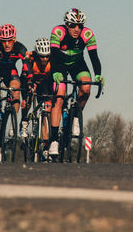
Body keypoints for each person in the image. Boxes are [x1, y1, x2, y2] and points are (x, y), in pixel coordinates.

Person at [49, 8, 104, 155]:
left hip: (77, 64)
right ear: (66, 24)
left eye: (80, 25)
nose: (77, 29)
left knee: (86, 87)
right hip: (59, 64)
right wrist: (55, 72)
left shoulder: (87, 34)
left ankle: (75, 117)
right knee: (59, 96)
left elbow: (94, 57)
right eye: (73, 25)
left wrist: (98, 74)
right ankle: (54, 140)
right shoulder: (58, 32)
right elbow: (53, 55)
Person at [0, 23, 32, 149]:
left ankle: (12, 126)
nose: (7, 44)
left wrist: (30, 82)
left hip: (10, 72)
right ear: (0, 40)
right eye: (4, 41)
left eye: (10, 40)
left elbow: (28, 68)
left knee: (16, 89)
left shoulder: (20, 48)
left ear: (14, 39)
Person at [20, 38, 53, 156]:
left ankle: (45, 145)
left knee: (46, 111)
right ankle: (24, 123)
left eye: (47, 56)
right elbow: (27, 71)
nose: (44, 59)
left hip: (44, 83)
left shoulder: (52, 59)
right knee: (28, 100)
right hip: (29, 79)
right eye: (42, 56)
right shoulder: (30, 57)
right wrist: (30, 84)